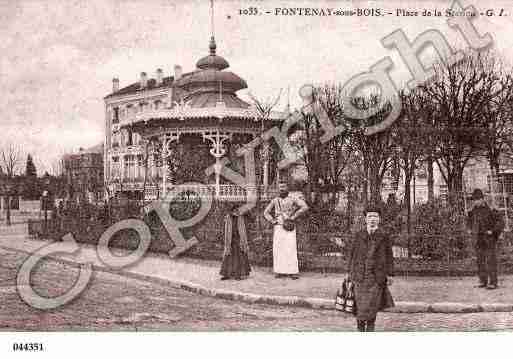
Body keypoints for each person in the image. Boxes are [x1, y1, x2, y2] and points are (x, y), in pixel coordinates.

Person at [347, 205, 395, 332]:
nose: (372, 219)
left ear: (379, 219)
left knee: (373, 306)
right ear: (365, 219)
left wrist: (390, 274)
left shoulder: (384, 236)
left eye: (375, 216)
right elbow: (352, 254)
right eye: (370, 216)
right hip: (360, 275)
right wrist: (349, 272)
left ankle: (371, 329)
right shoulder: (358, 234)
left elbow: (389, 256)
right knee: (360, 305)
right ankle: (360, 328)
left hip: (376, 277)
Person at [264, 182, 309, 279]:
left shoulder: (293, 198)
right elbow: (266, 212)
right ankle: (279, 271)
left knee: (290, 248)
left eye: (284, 187)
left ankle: (292, 271)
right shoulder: (275, 200)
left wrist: (294, 216)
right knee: (278, 249)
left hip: (289, 226)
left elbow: (305, 207)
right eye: (280, 187)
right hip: (279, 226)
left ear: (287, 187)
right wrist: (272, 220)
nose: (282, 189)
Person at [466, 188, 504, 290]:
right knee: (480, 261)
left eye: (477, 199)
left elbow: (500, 222)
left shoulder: (491, 209)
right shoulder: (473, 211)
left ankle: (493, 282)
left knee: (490, 260)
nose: (475, 202)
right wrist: (469, 229)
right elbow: (469, 221)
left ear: (482, 199)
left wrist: (493, 231)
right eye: (474, 200)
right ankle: (483, 281)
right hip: (478, 239)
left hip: (489, 238)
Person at [220, 204, 251, 281]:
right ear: (232, 211)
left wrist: (243, 240)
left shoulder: (241, 218)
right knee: (228, 256)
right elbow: (226, 230)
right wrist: (226, 240)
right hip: (230, 239)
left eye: (237, 210)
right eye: (234, 210)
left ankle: (239, 274)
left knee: (239, 256)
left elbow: (243, 229)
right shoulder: (228, 218)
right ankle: (226, 274)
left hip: (239, 239)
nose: (236, 212)